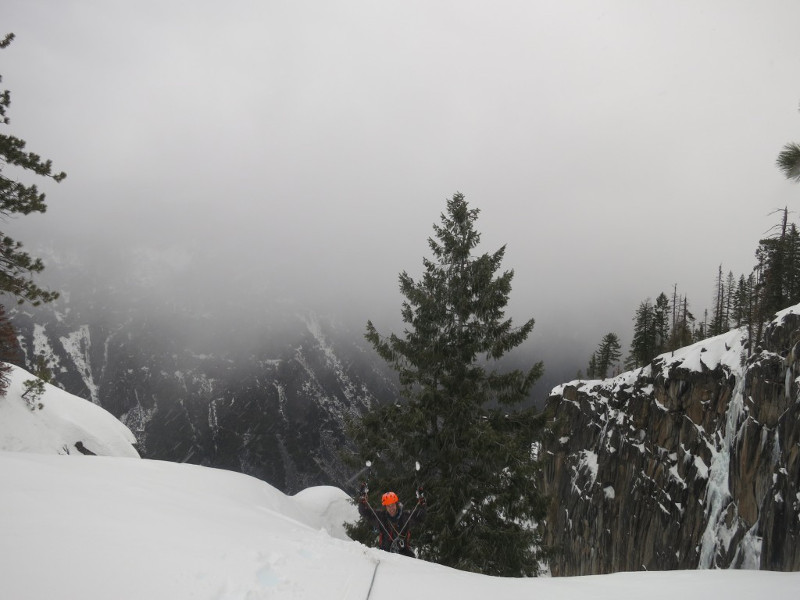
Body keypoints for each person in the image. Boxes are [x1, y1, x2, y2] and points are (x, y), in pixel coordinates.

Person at [357, 485, 426, 557]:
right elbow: (365, 512)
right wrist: (362, 499)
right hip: (385, 554)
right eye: (388, 506)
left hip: (403, 554)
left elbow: (420, 516)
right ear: (385, 507)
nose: (391, 508)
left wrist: (422, 502)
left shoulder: (405, 517)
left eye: (392, 505)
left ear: (396, 504)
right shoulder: (381, 517)